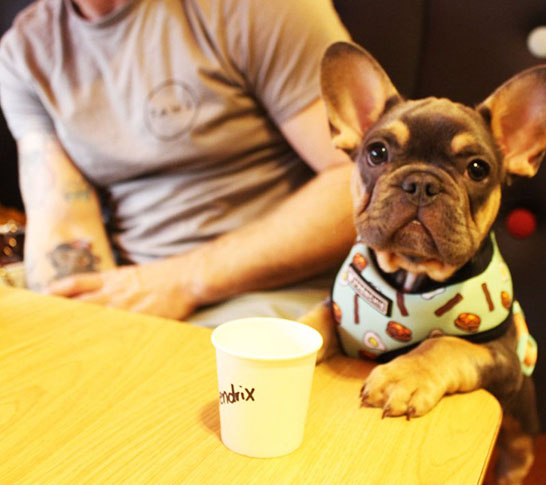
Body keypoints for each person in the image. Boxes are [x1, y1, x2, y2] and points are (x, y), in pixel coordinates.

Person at [0, 0, 356, 324]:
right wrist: (85, 324)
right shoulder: (25, 51)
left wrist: (181, 281)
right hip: (133, 297)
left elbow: (361, 180)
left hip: (269, 295)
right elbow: (62, 219)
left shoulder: (255, 8)